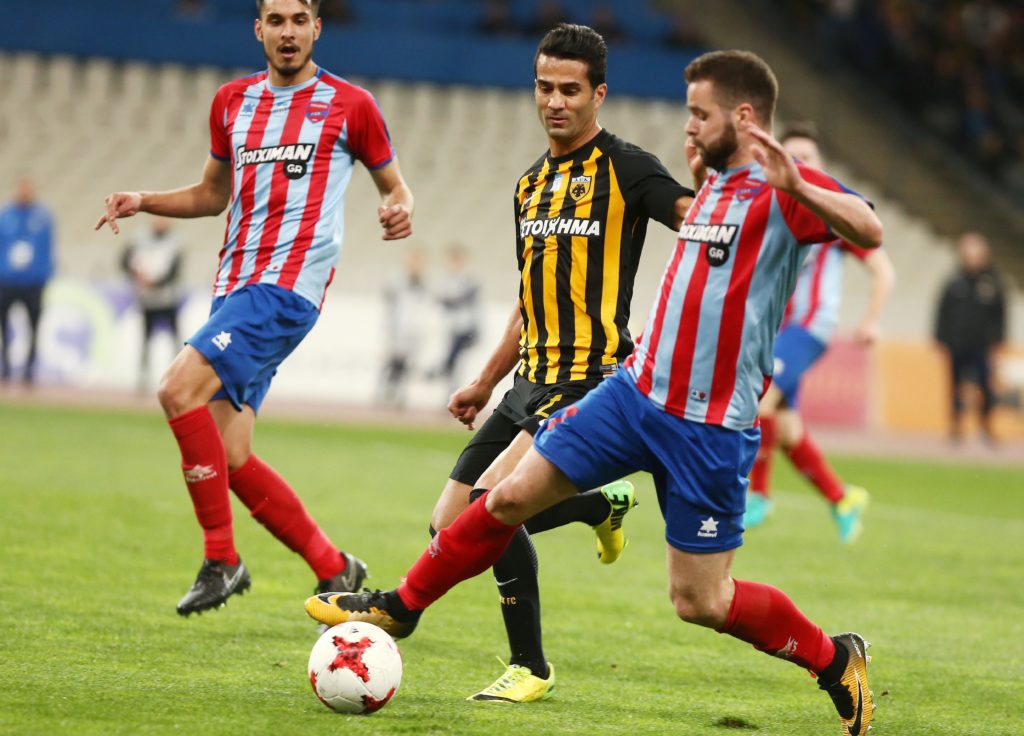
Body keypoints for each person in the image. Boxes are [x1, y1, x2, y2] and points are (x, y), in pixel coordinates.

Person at [307, 50, 882, 736]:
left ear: (744, 115)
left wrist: (801, 185)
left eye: (700, 114)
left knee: (700, 601)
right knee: (506, 497)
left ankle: (834, 659)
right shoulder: (715, 187)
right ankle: (401, 607)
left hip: (708, 427)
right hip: (634, 394)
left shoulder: (781, 190)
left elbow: (868, 226)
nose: (689, 125)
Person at [370, 24, 696, 703]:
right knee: (447, 524)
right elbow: (529, 300)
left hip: (590, 377)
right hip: (528, 381)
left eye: (570, 90)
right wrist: (484, 382)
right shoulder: (530, 187)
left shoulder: (627, 168)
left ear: (598, 94)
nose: (554, 101)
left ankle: (530, 667)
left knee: (488, 510)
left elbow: (696, 224)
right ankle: (597, 505)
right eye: (545, 87)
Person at [95, 0, 413, 616]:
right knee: (230, 454)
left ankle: (222, 559)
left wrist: (400, 207)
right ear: (258, 28)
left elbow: (395, 185)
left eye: (299, 20)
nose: (288, 32)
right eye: (276, 20)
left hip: (285, 290)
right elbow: (212, 195)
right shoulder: (231, 102)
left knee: (175, 389)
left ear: (317, 27)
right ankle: (334, 566)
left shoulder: (351, 105)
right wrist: (143, 199)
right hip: (235, 288)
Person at [744, 124, 895, 543]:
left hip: (809, 327)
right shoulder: (771, 206)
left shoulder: (832, 212)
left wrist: (870, 320)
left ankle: (759, 495)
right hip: (774, 331)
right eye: (791, 156)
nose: (799, 164)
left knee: (761, 397)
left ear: (821, 165)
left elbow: (883, 269)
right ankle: (842, 498)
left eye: (807, 157)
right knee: (786, 429)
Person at [934, 232, 1006, 443]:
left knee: (985, 387)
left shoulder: (993, 283)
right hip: (957, 344)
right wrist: (940, 338)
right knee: (955, 386)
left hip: (982, 345)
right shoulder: (954, 282)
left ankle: (986, 426)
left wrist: (998, 342)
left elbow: (1000, 316)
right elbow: (942, 312)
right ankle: (956, 426)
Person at [0, 177, 54, 385]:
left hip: (33, 283)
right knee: (4, 325)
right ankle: (5, 366)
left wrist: (43, 275)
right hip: (7, 281)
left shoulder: (43, 216)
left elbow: (48, 248)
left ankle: (29, 370)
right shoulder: (6, 215)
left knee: (34, 326)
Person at [121, 216, 185, 392]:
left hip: (167, 299)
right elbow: (124, 261)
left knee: (175, 340)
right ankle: (143, 377)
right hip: (147, 300)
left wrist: (153, 283)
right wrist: (137, 277)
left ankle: (179, 377)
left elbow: (174, 270)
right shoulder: (139, 239)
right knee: (145, 341)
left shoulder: (175, 242)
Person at [376, 246, 428, 410]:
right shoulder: (397, 281)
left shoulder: (424, 283)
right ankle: (384, 392)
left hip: (413, 331)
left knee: (406, 365)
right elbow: (389, 301)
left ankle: (399, 395)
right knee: (391, 362)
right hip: (397, 329)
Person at [429, 243, 480, 397]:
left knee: (455, 360)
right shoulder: (446, 280)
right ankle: (448, 385)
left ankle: (442, 372)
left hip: (465, 328)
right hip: (451, 327)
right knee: (452, 361)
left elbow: (458, 299)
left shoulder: (469, 280)